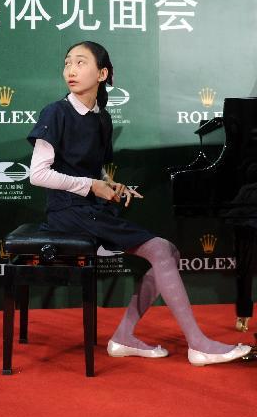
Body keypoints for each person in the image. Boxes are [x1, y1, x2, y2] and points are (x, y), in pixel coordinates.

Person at [27, 40, 251, 366]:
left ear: (102, 73)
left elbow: (92, 169)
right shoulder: (56, 112)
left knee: (169, 251)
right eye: (67, 63)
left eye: (80, 62)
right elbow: (37, 175)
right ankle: (198, 344)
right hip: (67, 213)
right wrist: (91, 186)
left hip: (91, 210)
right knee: (161, 249)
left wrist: (109, 185)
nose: (70, 70)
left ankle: (123, 337)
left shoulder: (102, 119)